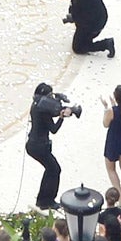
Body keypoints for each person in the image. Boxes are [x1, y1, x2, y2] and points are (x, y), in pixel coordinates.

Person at [24, 82, 78, 210]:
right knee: (55, 169)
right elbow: (53, 129)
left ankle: (42, 199)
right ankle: (47, 200)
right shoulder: (43, 111)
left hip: (33, 144)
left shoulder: (36, 105)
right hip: (39, 147)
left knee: (50, 170)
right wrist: (61, 117)